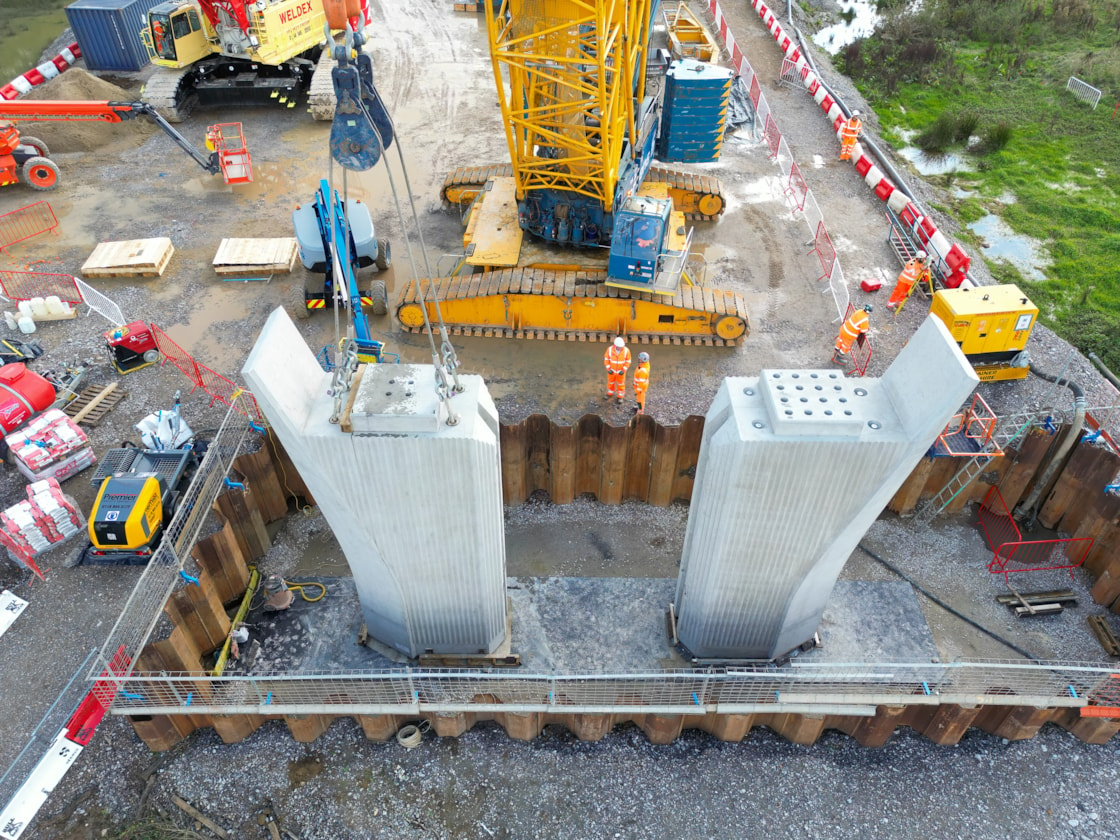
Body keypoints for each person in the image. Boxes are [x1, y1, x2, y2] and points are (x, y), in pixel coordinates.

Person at [604, 336, 631, 403]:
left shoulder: (626, 350)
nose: (620, 348)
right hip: (612, 371)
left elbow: (628, 361)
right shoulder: (609, 349)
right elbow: (606, 359)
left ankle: (620, 397)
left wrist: (623, 370)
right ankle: (609, 394)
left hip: (620, 372)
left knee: (621, 384)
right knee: (610, 382)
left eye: (621, 347)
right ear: (615, 345)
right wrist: (608, 369)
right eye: (619, 347)